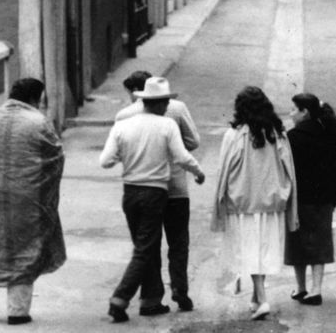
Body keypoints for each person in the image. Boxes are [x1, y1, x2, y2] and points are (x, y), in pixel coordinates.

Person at [0, 77, 65, 326]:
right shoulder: (39, 123)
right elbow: (55, 160)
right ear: (35, 99)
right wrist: (45, 194)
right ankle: (17, 310)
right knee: (24, 250)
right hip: (27, 200)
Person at [100, 76, 206, 324]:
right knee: (161, 245)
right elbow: (183, 154)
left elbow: (106, 161)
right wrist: (198, 172)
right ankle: (122, 298)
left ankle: (150, 299)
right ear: (159, 102)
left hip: (130, 192)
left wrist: (129, 156)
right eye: (165, 102)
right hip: (160, 190)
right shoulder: (168, 123)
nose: (167, 105)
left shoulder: (123, 122)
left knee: (145, 246)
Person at [211, 86, 298, 321]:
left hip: (243, 203)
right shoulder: (277, 134)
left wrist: (220, 200)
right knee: (263, 250)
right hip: (271, 203)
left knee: (249, 250)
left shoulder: (234, 135)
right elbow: (288, 168)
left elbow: (223, 170)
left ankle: (263, 298)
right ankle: (256, 298)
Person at [284, 92, 336, 306]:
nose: (290, 113)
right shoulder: (329, 133)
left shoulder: (292, 137)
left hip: (299, 198)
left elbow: (287, 171)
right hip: (324, 198)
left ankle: (301, 287)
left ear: (305, 112)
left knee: (297, 243)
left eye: (294, 109)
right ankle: (316, 289)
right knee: (320, 242)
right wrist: (334, 197)